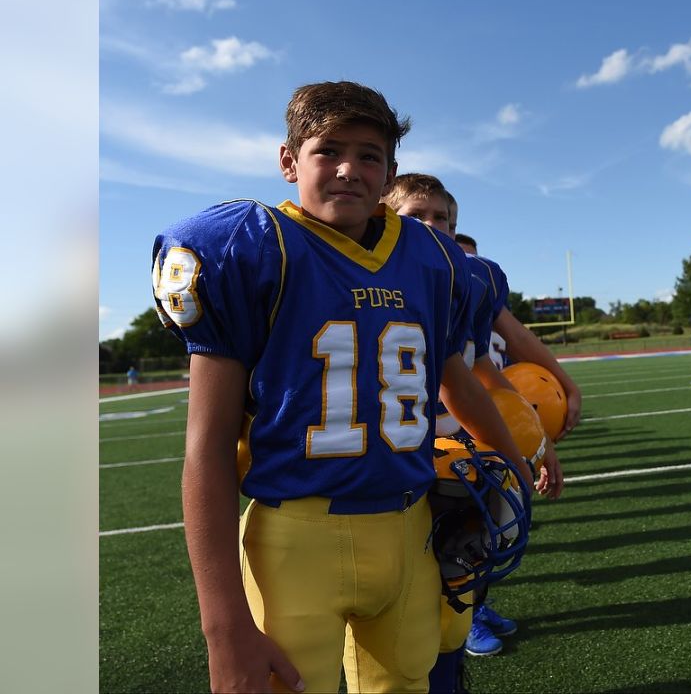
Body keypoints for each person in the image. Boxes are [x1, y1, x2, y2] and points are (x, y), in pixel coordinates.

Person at [153, 81, 531, 694]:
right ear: (288, 161)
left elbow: (456, 381)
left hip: (408, 529)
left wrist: (513, 464)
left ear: (390, 171)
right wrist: (222, 626)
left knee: (407, 682)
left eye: (370, 154)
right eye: (328, 150)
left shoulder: (433, 258)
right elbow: (208, 444)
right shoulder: (253, 247)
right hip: (296, 537)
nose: (349, 169)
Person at [385, 174, 565, 691]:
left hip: (462, 460)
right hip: (400, 468)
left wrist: (536, 445)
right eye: (417, 215)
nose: (432, 226)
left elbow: (485, 376)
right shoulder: (363, 279)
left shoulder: (474, 279)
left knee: (459, 590)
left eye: (442, 218)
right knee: (404, 618)